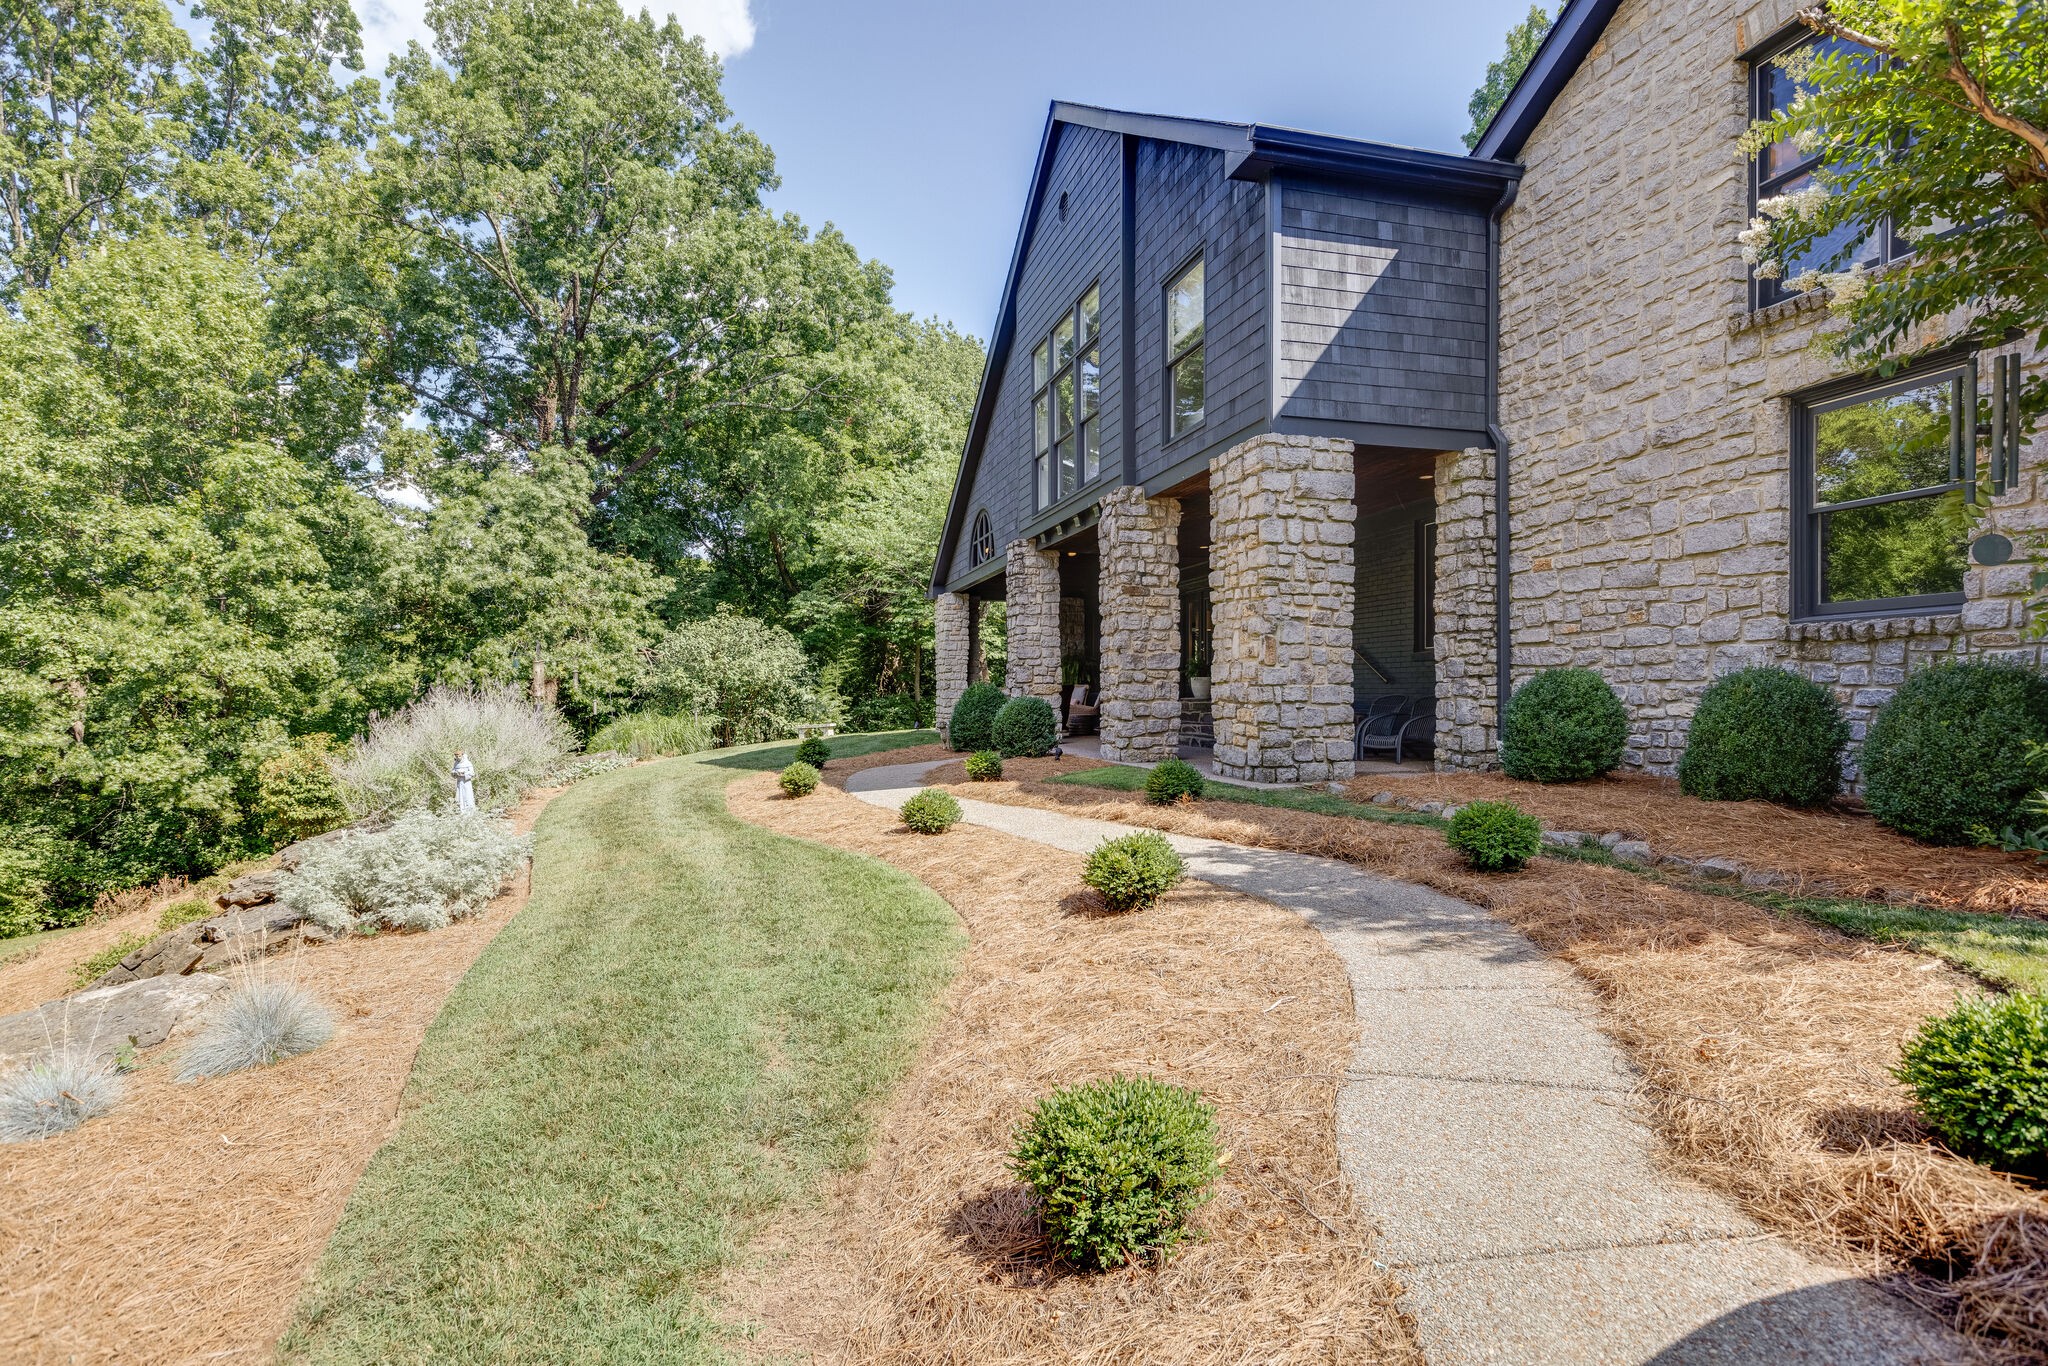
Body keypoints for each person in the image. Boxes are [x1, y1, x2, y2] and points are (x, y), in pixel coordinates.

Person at [452, 750, 477, 815]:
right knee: (460, 797)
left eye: (459, 756)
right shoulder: (456, 763)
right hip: (459, 783)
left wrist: (464, 774)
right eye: (456, 756)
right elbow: (453, 771)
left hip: (466, 783)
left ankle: (469, 813)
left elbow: (472, 773)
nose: (458, 757)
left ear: (462, 755)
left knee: (468, 796)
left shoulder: (468, 763)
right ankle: (461, 812)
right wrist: (455, 773)